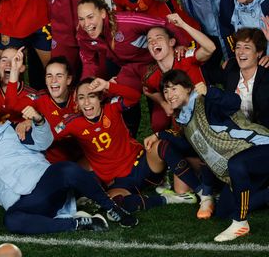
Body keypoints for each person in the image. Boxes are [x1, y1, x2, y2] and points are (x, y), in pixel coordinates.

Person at [0, 93, 138, 234]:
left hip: (45, 185)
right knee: (11, 221)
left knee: (67, 169)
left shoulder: (11, 129)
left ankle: (113, 209)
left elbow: (44, 142)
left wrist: (39, 121)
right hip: (23, 204)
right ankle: (80, 224)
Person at [54, 78, 209, 215]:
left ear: (100, 97)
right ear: (77, 102)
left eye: (91, 96)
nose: (87, 102)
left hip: (140, 165)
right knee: (115, 203)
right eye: (81, 98)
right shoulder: (72, 123)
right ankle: (170, 199)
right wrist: (34, 122)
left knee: (162, 146)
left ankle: (203, 193)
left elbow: (134, 97)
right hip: (120, 183)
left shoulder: (112, 108)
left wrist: (108, 85)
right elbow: (50, 136)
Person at [158, 70, 269, 241]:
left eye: (173, 89)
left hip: (260, 147)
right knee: (224, 212)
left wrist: (210, 92)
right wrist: (160, 135)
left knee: (236, 164)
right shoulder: (185, 120)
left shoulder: (206, 101)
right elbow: (197, 151)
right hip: (245, 167)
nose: (169, 94)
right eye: (166, 91)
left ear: (188, 88)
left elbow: (234, 102)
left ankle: (240, 223)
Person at [75, 0, 190, 136]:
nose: (86, 24)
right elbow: (89, 62)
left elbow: (164, 23)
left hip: (153, 65)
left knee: (159, 122)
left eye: (90, 17)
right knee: (113, 95)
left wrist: (182, 44)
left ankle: (173, 133)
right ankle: (128, 137)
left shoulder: (125, 21)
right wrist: (85, 88)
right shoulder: (82, 33)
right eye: (81, 19)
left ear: (103, 13)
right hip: (129, 69)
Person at [6, 54, 83, 164]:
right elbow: (11, 105)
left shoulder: (80, 97)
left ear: (69, 79)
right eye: (49, 76)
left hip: (83, 158)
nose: (53, 80)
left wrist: (34, 122)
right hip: (51, 163)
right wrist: (14, 71)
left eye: (59, 76)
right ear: (45, 80)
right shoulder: (39, 97)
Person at [143, 17, 215, 132]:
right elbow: (148, 90)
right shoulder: (152, 76)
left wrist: (183, 24)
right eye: (149, 40)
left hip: (208, 116)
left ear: (171, 42)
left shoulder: (185, 57)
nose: (153, 42)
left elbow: (210, 48)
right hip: (183, 127)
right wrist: (163, 103)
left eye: (159, 38)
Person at [215, 28, 269, 128]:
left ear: (259, 53)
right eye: (238, 47)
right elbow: (211, 77)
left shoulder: (266, 76)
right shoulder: (230, 67)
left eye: (247, 47)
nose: (240, 52)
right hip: (234, 129)